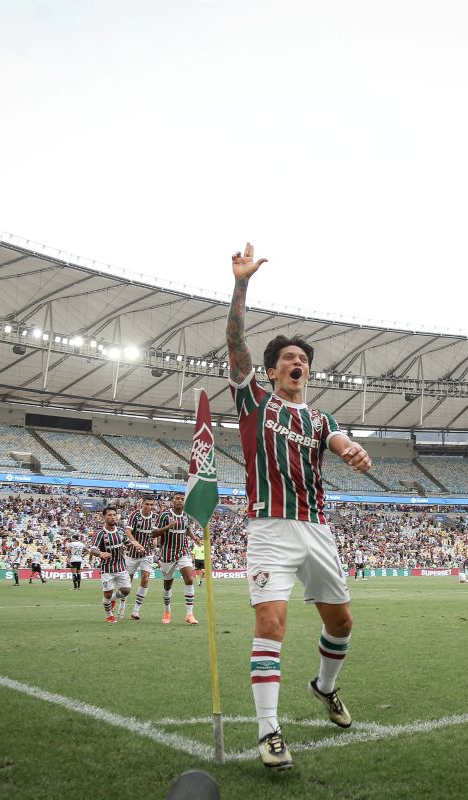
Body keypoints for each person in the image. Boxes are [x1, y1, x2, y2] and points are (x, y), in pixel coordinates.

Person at [226, 242, 373, 770]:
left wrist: (352, 451)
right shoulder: (254, 401)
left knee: (342, 623)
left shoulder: (319, 419)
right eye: (289, 359)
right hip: (269, 527)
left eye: (303, 360)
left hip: (315, 528)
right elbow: (235, 342)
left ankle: (324, 687)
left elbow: (338, 440)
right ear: (270, 372)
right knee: (271, 622)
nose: (298, 363)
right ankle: (269, 732)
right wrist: (242, 283)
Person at [151, 493, 201, 625]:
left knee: (189, 578)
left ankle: (189, 614)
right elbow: (153, 533)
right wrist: (168, 527)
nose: (180, 501)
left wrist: (194, 537)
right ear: (172, 501)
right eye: (177, 498)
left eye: (182, 499)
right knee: (168, 584)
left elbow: (187, 529)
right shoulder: (164, 515)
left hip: (183, 551)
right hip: (167, 553)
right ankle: (167, 611)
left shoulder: (186, 516)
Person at [89, 506, 130, 623]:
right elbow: (92, 549)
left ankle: (113, 599)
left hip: (121, 566)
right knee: (107, 594)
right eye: (109, 515)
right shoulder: (100, 533)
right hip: (107, 568)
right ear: (104, 517)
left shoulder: (120, 531)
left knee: (126, 590)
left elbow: (127, 543)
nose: (113, 517)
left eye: (114, 515)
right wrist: (100, 553)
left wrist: (135, 546)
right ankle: (109, 616)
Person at [125, 498, 158, 619]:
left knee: (145, 578)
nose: (149, 506)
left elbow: (155, 532)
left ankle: (136, 610)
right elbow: (128, 531)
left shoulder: (155, 517)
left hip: (147, 553)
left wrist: (155, 539)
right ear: (142, 504)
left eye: (151, 504)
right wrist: (135, 543)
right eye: (147, 504)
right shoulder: (135, 515)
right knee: (127, 582)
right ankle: (121, 604)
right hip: (132, 553)